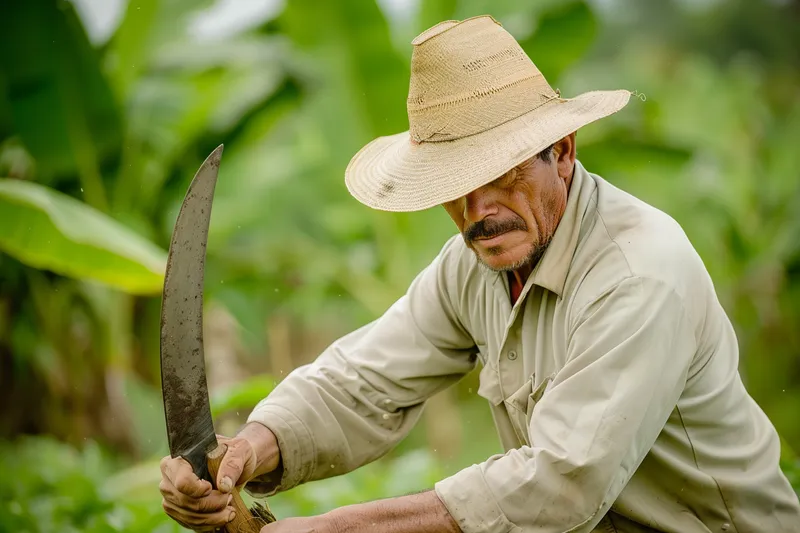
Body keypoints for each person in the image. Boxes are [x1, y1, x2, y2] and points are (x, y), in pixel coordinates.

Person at [159, 15, 800, 533]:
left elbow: (558, 485)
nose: (479, 212)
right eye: (456, 187)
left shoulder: (639, 274)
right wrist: (249, 450)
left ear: (564, 154)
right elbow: (364, 382)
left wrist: (334, 529)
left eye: (503, 175)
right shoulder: (478, 263)